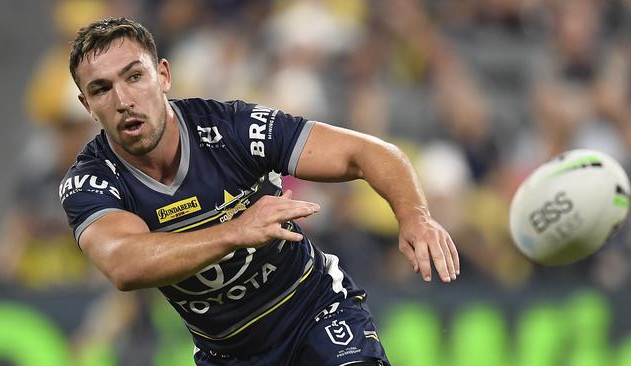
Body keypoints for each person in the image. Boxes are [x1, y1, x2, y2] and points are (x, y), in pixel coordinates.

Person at [60, 17, 460, 366]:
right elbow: (124, 264)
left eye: (134, 76)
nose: (123, 100)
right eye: (101, 90)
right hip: (228, 355)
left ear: (163, 75)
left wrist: (415, 217)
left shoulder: (231, 129)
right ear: (87, 105)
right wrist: (236, 230)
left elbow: (370, 153)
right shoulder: (92, 181)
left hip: (315, 313)